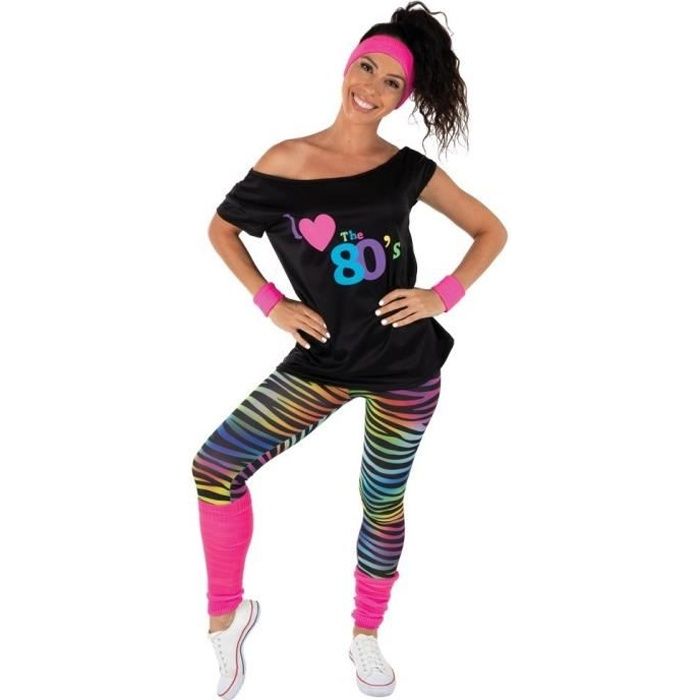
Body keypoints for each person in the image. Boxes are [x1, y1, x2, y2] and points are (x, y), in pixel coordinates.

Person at [192, 2, 507, 697]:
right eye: (367, 67)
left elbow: (491, 230)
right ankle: (226, 618)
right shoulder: (285, 161)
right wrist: (271, 303)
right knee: (215, 466)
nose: (372, 86)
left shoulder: (406, 170)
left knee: (381, 500)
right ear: (347, 66)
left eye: (392, 82)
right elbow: (221, 230)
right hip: (322, 363)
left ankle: (366, 634)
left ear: (404, 98)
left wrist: (442, 295)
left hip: (404, 367)